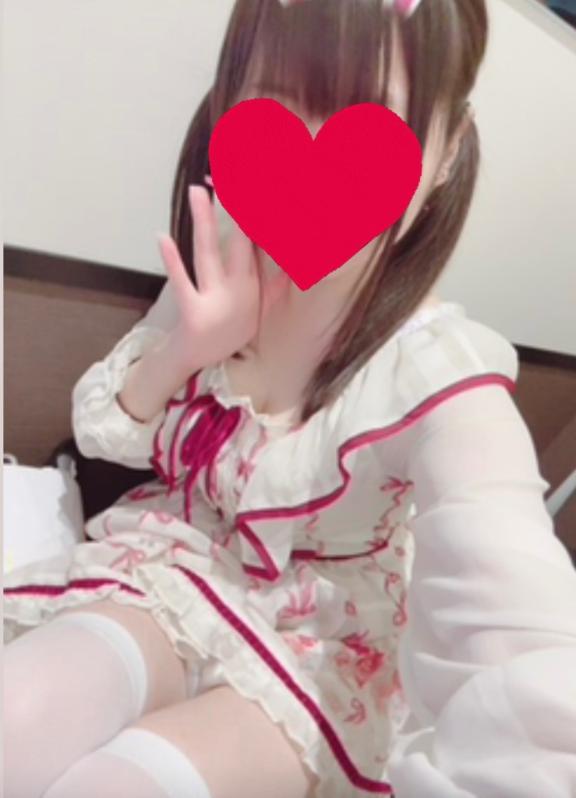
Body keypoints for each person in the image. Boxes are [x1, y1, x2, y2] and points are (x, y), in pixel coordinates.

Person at [4, 1, 576, 796]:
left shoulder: (439, 374)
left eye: (370, 116)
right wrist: (189, 347)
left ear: (448, 151)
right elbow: (102, 430)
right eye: (277, 101)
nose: (314, 153)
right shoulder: (224, 261)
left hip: (321, 648)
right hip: (174, 567)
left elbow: (518, 629)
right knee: (16, 716)